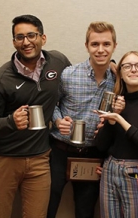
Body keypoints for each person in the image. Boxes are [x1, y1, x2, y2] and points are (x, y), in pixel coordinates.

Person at [0, 14, 71, 218]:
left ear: (43, 38)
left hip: (39, 160)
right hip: (4, 160)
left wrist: (111, 65)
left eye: (31, 35)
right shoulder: (1, 78)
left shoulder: (58, 61)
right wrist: (11, 122)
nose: (26, 42)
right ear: (14, 42)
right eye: (20, 37)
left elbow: (77, 79)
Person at [47, 21, 124, 218]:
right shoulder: (69, 75)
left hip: (93, 155)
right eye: (94, 44)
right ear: (86, 46)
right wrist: (57, 121)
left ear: (114, 46)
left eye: (106, 44)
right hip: (60, 152)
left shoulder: (119, 81)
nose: (100, 50)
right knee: (48, 206)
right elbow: (52, 105)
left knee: (85, 211)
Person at [94, 51, 138, 218]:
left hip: (136, 173)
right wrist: (111, 121)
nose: (133, 69)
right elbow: (101, 146)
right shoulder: (115, 100)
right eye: (127, 66)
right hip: (109, 170)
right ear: (120, 73)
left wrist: (120, 119)